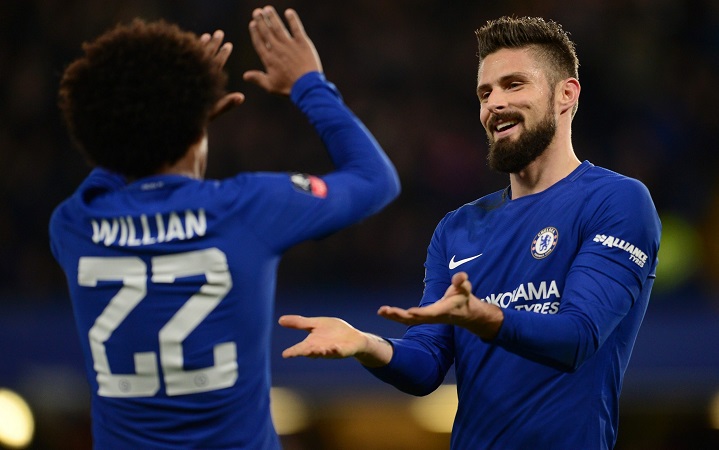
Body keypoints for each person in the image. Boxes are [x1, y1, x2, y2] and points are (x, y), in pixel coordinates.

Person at [279, 16, 661, 449]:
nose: (494, 103)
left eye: (513, 85)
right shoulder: (457, 228)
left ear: (566, 95)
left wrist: (485, 317)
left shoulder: (617, 200)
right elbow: (426, 364)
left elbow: (578, 336)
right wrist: (365, 343)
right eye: (485, 92)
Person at [49, 6, 399, 449]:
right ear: (197, 131)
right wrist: (310, 84)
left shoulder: (73, 224)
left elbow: (112, 163)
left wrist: (177, 119)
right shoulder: (244, 207)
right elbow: (375, 180)